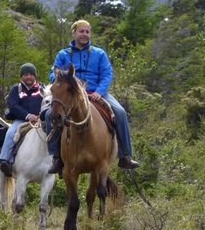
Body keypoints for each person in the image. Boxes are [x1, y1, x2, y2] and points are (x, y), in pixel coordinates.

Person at [46, 19, 139, 174]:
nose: (85, 34)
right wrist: (62, 81)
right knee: (50, 115)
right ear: (74, 33)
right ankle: (57, 158)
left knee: (120, 112)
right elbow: (52, 74)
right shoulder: (63, 55)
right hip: (71, 95)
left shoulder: (99, 53)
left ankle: (125, 156)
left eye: (87, 32)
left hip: (95, 93)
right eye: (81, 31)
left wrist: (99, 91)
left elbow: (107, 74)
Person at [0, 63, 45, 177]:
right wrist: (28, 115)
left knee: (54, 131)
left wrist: (40, 115)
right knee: (11, 133)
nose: (28, 77)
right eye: (25, 74)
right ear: (21, 77)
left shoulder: (42, 88)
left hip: (39, 120)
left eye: (31, 74)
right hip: (21, 120)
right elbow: (13, 105)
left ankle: (58, 160)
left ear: (35, 76)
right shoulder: (16, 89)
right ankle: (5, 160)